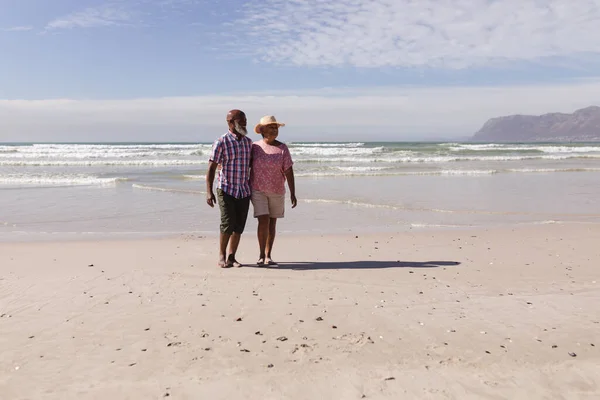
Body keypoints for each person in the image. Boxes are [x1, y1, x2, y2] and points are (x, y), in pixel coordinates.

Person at [206, 109, 253, 268]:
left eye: (245, 119)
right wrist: (209, 191)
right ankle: (222, 255)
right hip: (226, 188)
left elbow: (253, 166)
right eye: (242, 120)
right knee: (227, 223)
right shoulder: (221, 142)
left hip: (244, 190)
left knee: (239, 225)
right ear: (231, 123)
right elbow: (211, 168)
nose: (245, 122)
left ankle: (232, 257)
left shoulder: (248, 142)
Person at [250, 115, 297, 266]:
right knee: (263, 220)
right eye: (271, 127)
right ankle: (260, 254)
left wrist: (293, 192)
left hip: (277, 190)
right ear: (262, 130)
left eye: (276, 127)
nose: (274, 130)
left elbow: (288, 170)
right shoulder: (255, 147)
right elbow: (244, 164)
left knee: (272, 223)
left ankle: (268, 255)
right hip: (258, 190)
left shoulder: (282, 148)